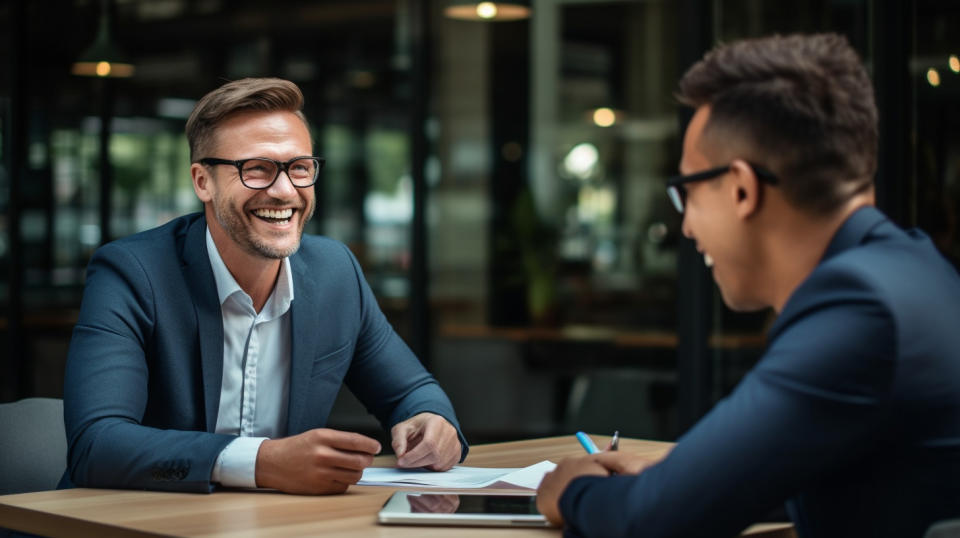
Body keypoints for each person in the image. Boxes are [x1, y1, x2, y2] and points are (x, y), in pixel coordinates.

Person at [537, 33, 960, 537]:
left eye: (686, 193)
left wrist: (571, 490)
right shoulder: (917, 268)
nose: (687, 228)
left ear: (741, 188)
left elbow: (651, 524)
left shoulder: (856, 310)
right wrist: (685, 481)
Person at [61, 78, 466, 494]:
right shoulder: (133, 272)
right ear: (203, 181)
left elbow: (412, 392)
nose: (285, 191)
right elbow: (97, 444)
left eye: (300, 168)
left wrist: (434, 423)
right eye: (256, 169)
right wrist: (261, 461)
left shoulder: (334, 272)